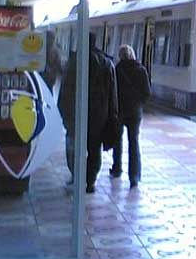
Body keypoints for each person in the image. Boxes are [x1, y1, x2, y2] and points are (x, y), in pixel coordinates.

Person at [58, 32, 118, 194]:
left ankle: (76, 176)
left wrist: (63, 111)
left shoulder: (74, 62)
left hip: (75, 114)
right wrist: (112, 114)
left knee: (74, 147)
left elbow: (65, 89)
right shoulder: (106, 63)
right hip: (98, 115)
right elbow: (113, 93)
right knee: (94, 149)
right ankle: (90, 181)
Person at [111, 44, 151, 189]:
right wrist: (138, 103)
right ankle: (134, 176)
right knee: (134, 143)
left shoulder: (116, 70)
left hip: (120, 111)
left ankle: (117, 168)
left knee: (117, 140)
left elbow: (112, 91)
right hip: (135, 113)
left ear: (121, 56)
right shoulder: (141, 70)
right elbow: (147, 93)